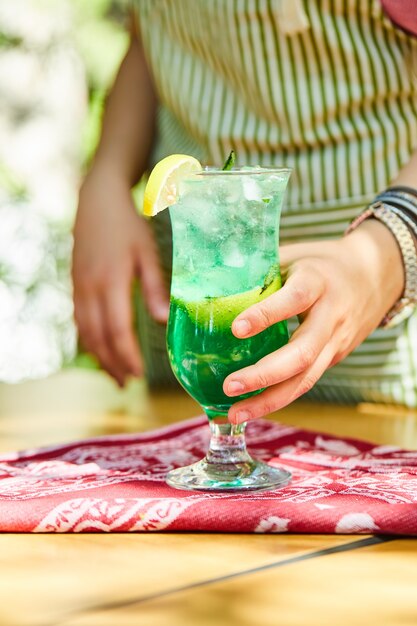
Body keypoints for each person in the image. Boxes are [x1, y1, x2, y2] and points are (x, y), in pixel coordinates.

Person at [72, 0, 417, 424]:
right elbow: (151, 33)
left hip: (378, 322)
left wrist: (388, 246)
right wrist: (106, 174)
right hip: (191, 344)